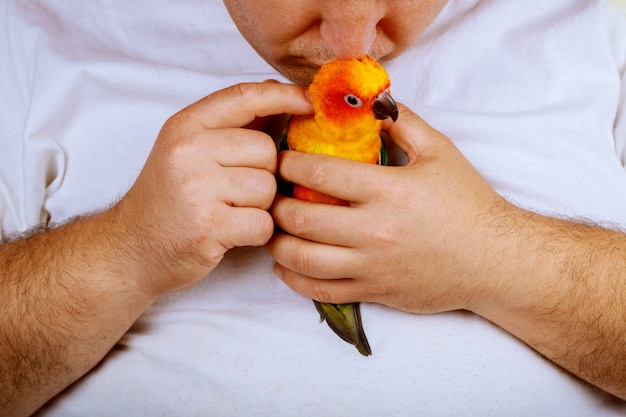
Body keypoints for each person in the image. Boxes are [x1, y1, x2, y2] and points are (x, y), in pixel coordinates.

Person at [1, 0, 626, 415]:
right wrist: (122, 251)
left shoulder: (596, 20)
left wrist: (499, 256)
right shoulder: (31, 31)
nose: (353, 41)